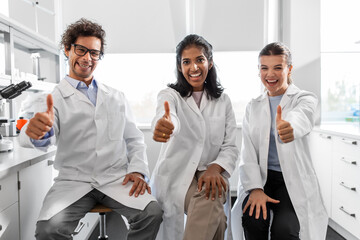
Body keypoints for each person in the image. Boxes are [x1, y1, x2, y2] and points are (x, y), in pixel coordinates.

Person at [19, 18, 163, 240]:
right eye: (81, 50)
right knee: (48, 230)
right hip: (74, 182)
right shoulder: (52, 99)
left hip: (116, 180)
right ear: (67, 50)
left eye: (94, 53)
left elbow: (134, 139)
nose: (87, 58)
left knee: (151, 213)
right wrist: (37, 132)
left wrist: (138, 170)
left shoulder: (116, 96)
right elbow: (42, 132)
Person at [231, 42, 328, 240]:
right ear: (258, 70)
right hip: (262, 179)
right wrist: (255, 189)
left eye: (278, 67)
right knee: (253, 220)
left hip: (291, 180)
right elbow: (247, 152)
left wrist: (289, 127)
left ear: (289, 69)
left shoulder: (304, 98)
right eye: (264, 68)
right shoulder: (253, 106)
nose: (270, 74)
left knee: (284, 229)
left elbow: (303, 116)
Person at [150, 34, 239, 240]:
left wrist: (215, 168)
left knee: (212, 197)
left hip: (211, 170)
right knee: (214, 210)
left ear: (210, 62)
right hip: (178, 173)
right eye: (186, 62)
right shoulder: (170, 95)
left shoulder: (223, 101)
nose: (194, 67)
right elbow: (166, 114)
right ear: (180, 67)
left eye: (200, 59)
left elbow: (230, 146)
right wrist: (166, 123)